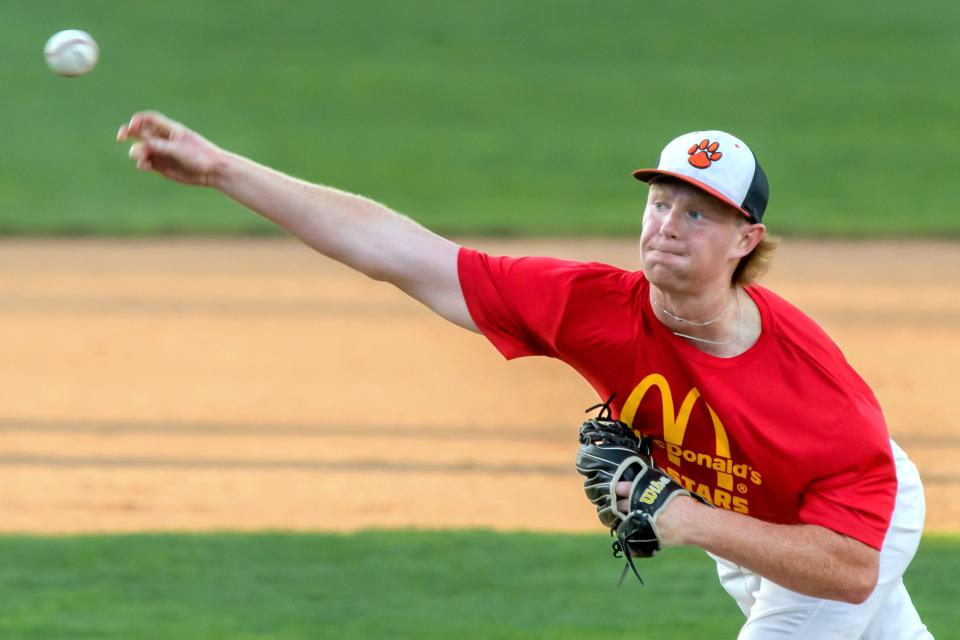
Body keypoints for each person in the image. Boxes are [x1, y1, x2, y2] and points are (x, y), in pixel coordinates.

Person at [118, 113, 933, 639]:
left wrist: (682, 519)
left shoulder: (814, 391)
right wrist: (225, 169)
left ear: (745, 240)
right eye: (660, 202)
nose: (667, 225)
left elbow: (850, 567)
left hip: (842, 522)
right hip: (743, 515)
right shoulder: (592, 306)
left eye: (699, 213)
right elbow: (405, 255)